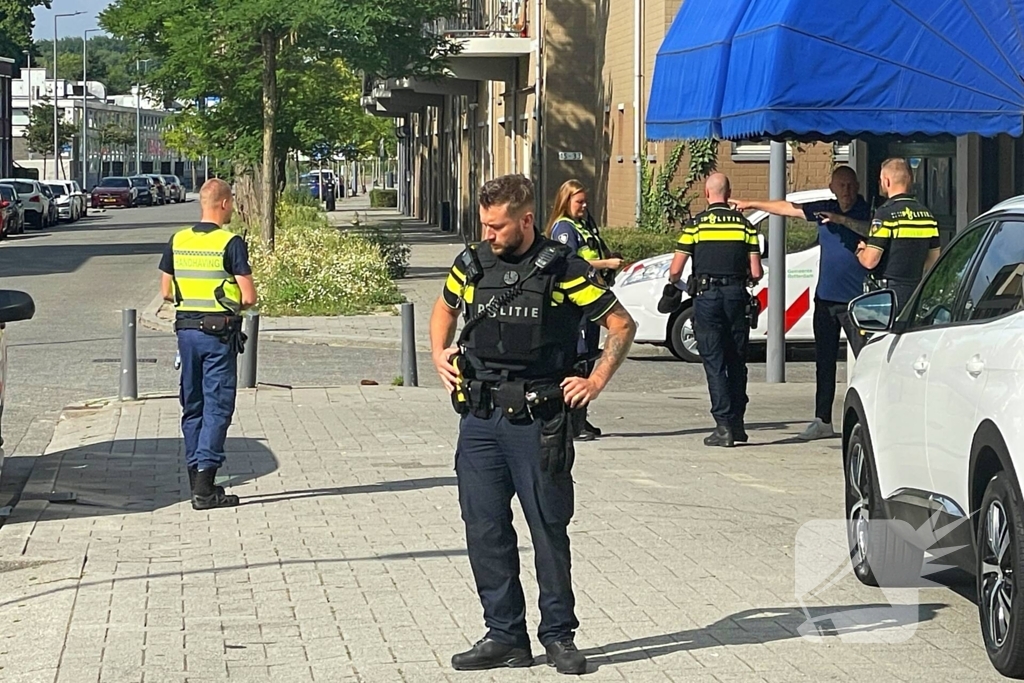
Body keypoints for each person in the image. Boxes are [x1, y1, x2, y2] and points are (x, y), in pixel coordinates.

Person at [430, 174, 636, 675]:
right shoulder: (472, 262)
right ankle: (505, 637)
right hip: (479, 418)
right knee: (484, 529)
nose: (490, 235)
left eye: (498, 226)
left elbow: (621, 324)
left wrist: (596, 381)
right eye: (484, 225)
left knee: (547, 529)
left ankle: (558, 637)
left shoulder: (563, 268)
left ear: (525, 220)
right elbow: (444, 307)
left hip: (538, 420)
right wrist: (438, 353)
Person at [732, 166, 871, 441]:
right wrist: (750, 203)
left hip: (860, 301)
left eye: (851, 185)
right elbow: (788, 207)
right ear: (832, 187)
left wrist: (840, 220)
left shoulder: (868, 210)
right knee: (825, 362)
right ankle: (822, 420)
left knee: (868, 362)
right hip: (826, 299)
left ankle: (870, 419)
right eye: (841, 185)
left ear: (858, 186)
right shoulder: (824, 208)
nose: (846, 191)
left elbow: (873, 230)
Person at [158, 178, 257, 510]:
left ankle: (193, 481)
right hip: (217, 335)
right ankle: (205, 488)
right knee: (218, 407)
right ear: (225, 204)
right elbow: (248, 296)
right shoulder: (231, 243)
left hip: (185, 333)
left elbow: (167, 291)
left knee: (193, 405)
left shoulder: (179, 240)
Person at [669, 173, 762, 448]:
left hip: (707, 297)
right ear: (728, 192)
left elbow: (675, 270)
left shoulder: (695, 226)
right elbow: (755, 272)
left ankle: (722, 428)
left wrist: (679, 285)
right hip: (736, 297)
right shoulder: (745, 226)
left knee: (714, 362)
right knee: (736, 361)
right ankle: (738, 423)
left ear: (706, 194)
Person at [546, 180, 623, 441]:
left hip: (591, 299)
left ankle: (581, 417)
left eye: (585, 201)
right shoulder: (564, 228)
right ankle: (571, 422)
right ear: (566, 202)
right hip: (575, 303)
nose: (584, 206)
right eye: (579, 202)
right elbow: (570, 261)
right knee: (577, 361)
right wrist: (606, 262)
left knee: (587, 356)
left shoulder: (584, 225)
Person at [856, 158, 940, 313]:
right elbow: (932, 262)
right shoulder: (928, 216)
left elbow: (870, 261)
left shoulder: (885, 214)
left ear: (887, 181)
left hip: (888, 295)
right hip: (916, 293)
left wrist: (861, 251)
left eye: (881, 180)